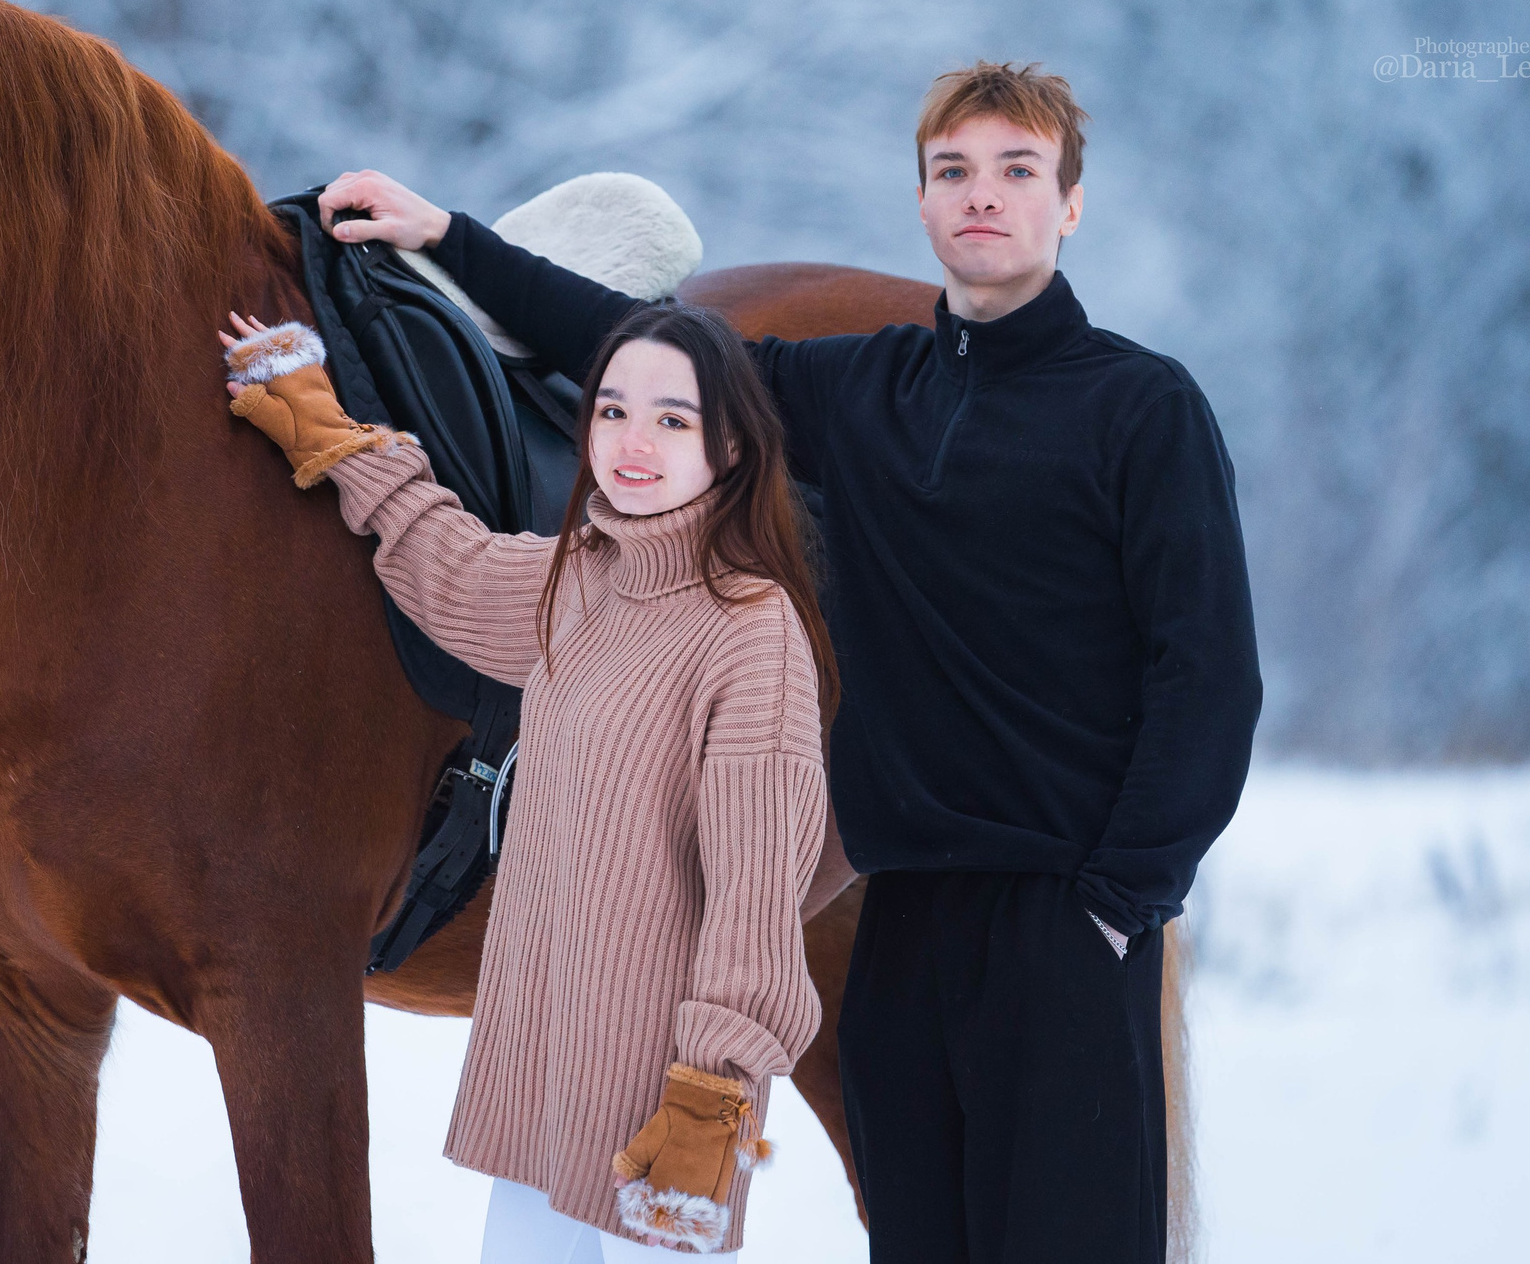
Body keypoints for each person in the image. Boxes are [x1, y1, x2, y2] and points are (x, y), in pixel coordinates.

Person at [315, 61, 1263, 1264]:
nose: (983, 197)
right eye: (953, 173)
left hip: (1063, 926)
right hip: (903, 915)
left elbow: (1209, 679)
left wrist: (1124, 902)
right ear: (921, 202)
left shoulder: (1142, 407)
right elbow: (643, 357)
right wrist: (451, 240)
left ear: (1069, 204)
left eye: (1017, 172)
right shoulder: (871, 388)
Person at [217, 300, 836, 1258]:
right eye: (614, 409)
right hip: (546, 1088)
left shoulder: (750, 630)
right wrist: (330, 433)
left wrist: (712, 1098)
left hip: (661, 1120)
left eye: (673, 418)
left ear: (732, 446)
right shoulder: (580, 579)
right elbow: (448, 562)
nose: (633, 441)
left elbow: (755, 899)